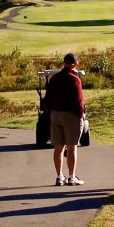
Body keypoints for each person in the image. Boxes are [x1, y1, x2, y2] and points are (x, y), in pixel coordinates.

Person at [45, 53, 85, 186]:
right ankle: (72, 176)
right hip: (70, 115)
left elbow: (47, 99)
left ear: (64, 63)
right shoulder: (75, 79)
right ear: (75, 63)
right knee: (72, 147)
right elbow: (79, 101)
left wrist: (51, 113)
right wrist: (80, 115)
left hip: (55, 114)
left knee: (58, 147)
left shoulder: (54, 78)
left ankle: (59, 176)